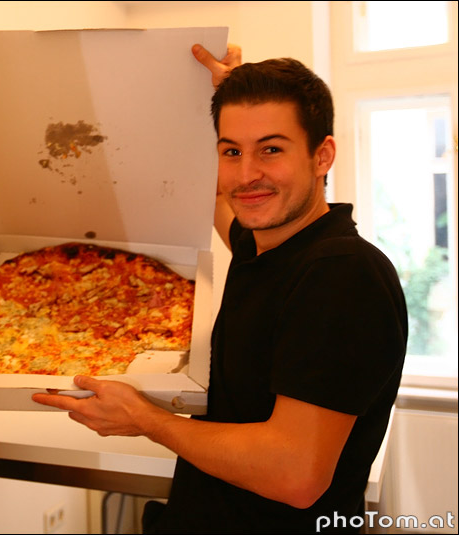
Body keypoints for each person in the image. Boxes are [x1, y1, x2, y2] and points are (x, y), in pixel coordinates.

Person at [33, 45, 408, 534]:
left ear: (322, 156)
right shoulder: (264, 248)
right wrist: (207, 96)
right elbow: (217, 190)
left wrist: (146, 420)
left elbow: (296, 475)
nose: (246, 174)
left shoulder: (342, 273)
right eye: (232, 151)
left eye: (271, 149)